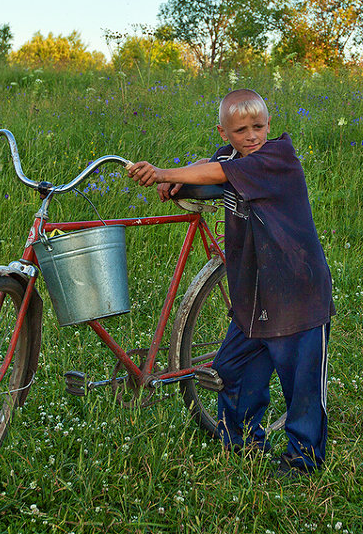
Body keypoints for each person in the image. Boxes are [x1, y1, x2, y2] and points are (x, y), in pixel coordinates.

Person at [127, 89, 334, 475]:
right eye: (241, 130)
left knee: (301, 385)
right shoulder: (228, 157)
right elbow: (210, 165)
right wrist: (176, 184)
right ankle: (242, 444)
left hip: (296, 294)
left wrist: (164, 172)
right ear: (224, 132)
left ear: (269, 125)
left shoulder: (278, 157)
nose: (252, 136)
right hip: (252, 297)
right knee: (230, 371)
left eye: (258, 126)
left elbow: (220, 173)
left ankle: (304, 460)